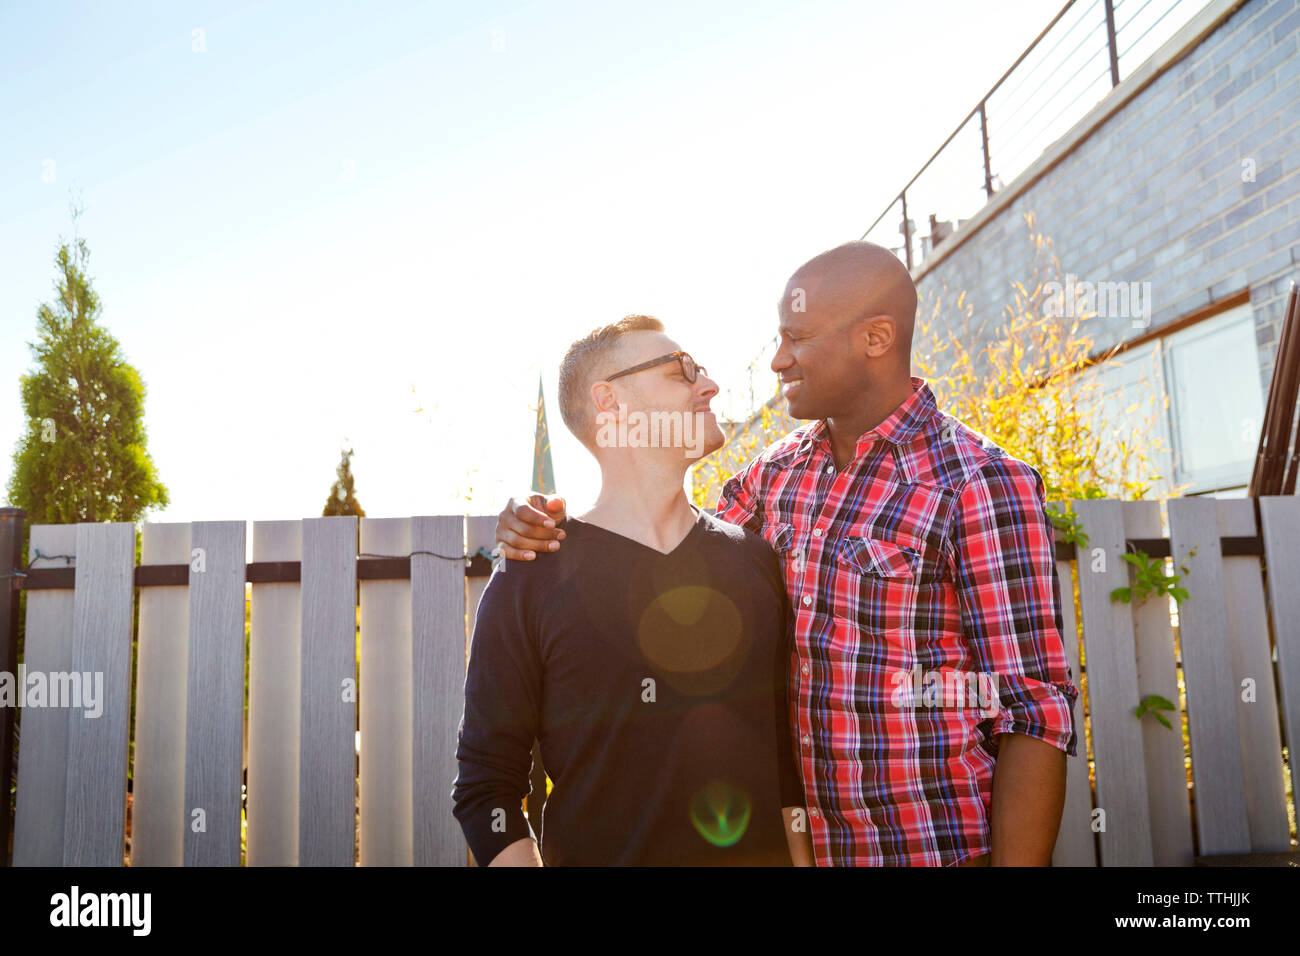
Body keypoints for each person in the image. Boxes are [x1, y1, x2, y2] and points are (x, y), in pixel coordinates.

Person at [493, 242, 1080, 867]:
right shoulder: (773, 478)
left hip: (928, 850)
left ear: (876, 338)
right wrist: (539, 521)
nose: (777, 360)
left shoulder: (980, 482)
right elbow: (658, 539)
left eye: (796, 338)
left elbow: (1033, 708)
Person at [452, 314, 813, 866]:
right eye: (680, 371)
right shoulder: (533, 573)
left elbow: (786, 774)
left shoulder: (754, 560)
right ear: (610, 403)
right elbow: (487, 786)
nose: (708, 385)